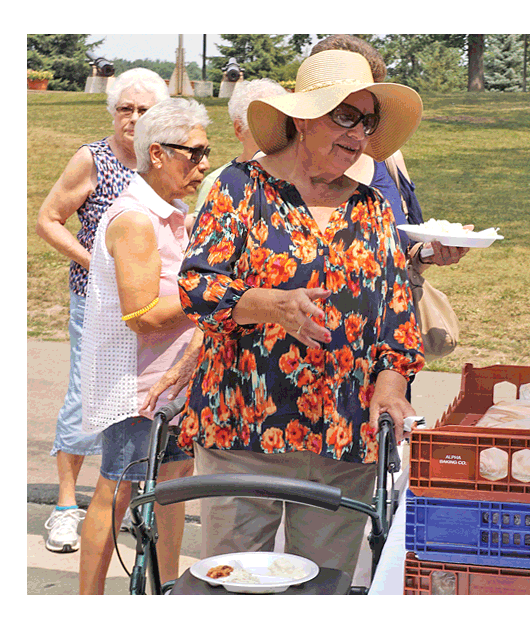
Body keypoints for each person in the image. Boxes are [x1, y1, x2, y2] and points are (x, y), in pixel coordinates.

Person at [177, 50, 425, 578]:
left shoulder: (371, 207)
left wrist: (391, 384)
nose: (359, 133)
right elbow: (198, 288)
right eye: (345, 116)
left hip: (342, 434)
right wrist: (270, 304)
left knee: (322, 593)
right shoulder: (240, 188)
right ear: (305, 117)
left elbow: (397, 319)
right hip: (244, 431)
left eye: (367, 121)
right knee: (232, 589)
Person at [77, 98, 211, 594]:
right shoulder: (135, 219)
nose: (203, 165)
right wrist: (214, 294)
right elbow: (145, 316)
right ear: (157, 153)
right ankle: (88, 603)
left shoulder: (169, 211)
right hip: (136, 384)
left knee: (173, 490)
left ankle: (166, 593)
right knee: (117, 489)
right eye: (193, 153)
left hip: (170, 383)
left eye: (206, 152)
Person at [35, 68, 169, 554]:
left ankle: (131, 503)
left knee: (145, 396)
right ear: (113, 113)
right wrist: (97, 264)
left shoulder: (163, 158)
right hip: (96, 303)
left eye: (144, 110)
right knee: (84, 394)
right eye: (125, 109)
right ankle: (67, 507)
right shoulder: (94, 158)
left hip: (153, 303)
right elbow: (48, 220)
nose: (133, 118)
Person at [311, 35, 470, 273]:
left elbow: (409, 252)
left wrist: (429, 254)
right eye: (345, 113)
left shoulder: (389, 160)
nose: (356, 130)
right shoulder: (264, 178)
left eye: (368, 114)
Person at [190, 77, 288, 217]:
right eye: (263, 126)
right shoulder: (218, 182)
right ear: (239, 129)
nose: (276, 134)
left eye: (281, 123)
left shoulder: (299, 178)